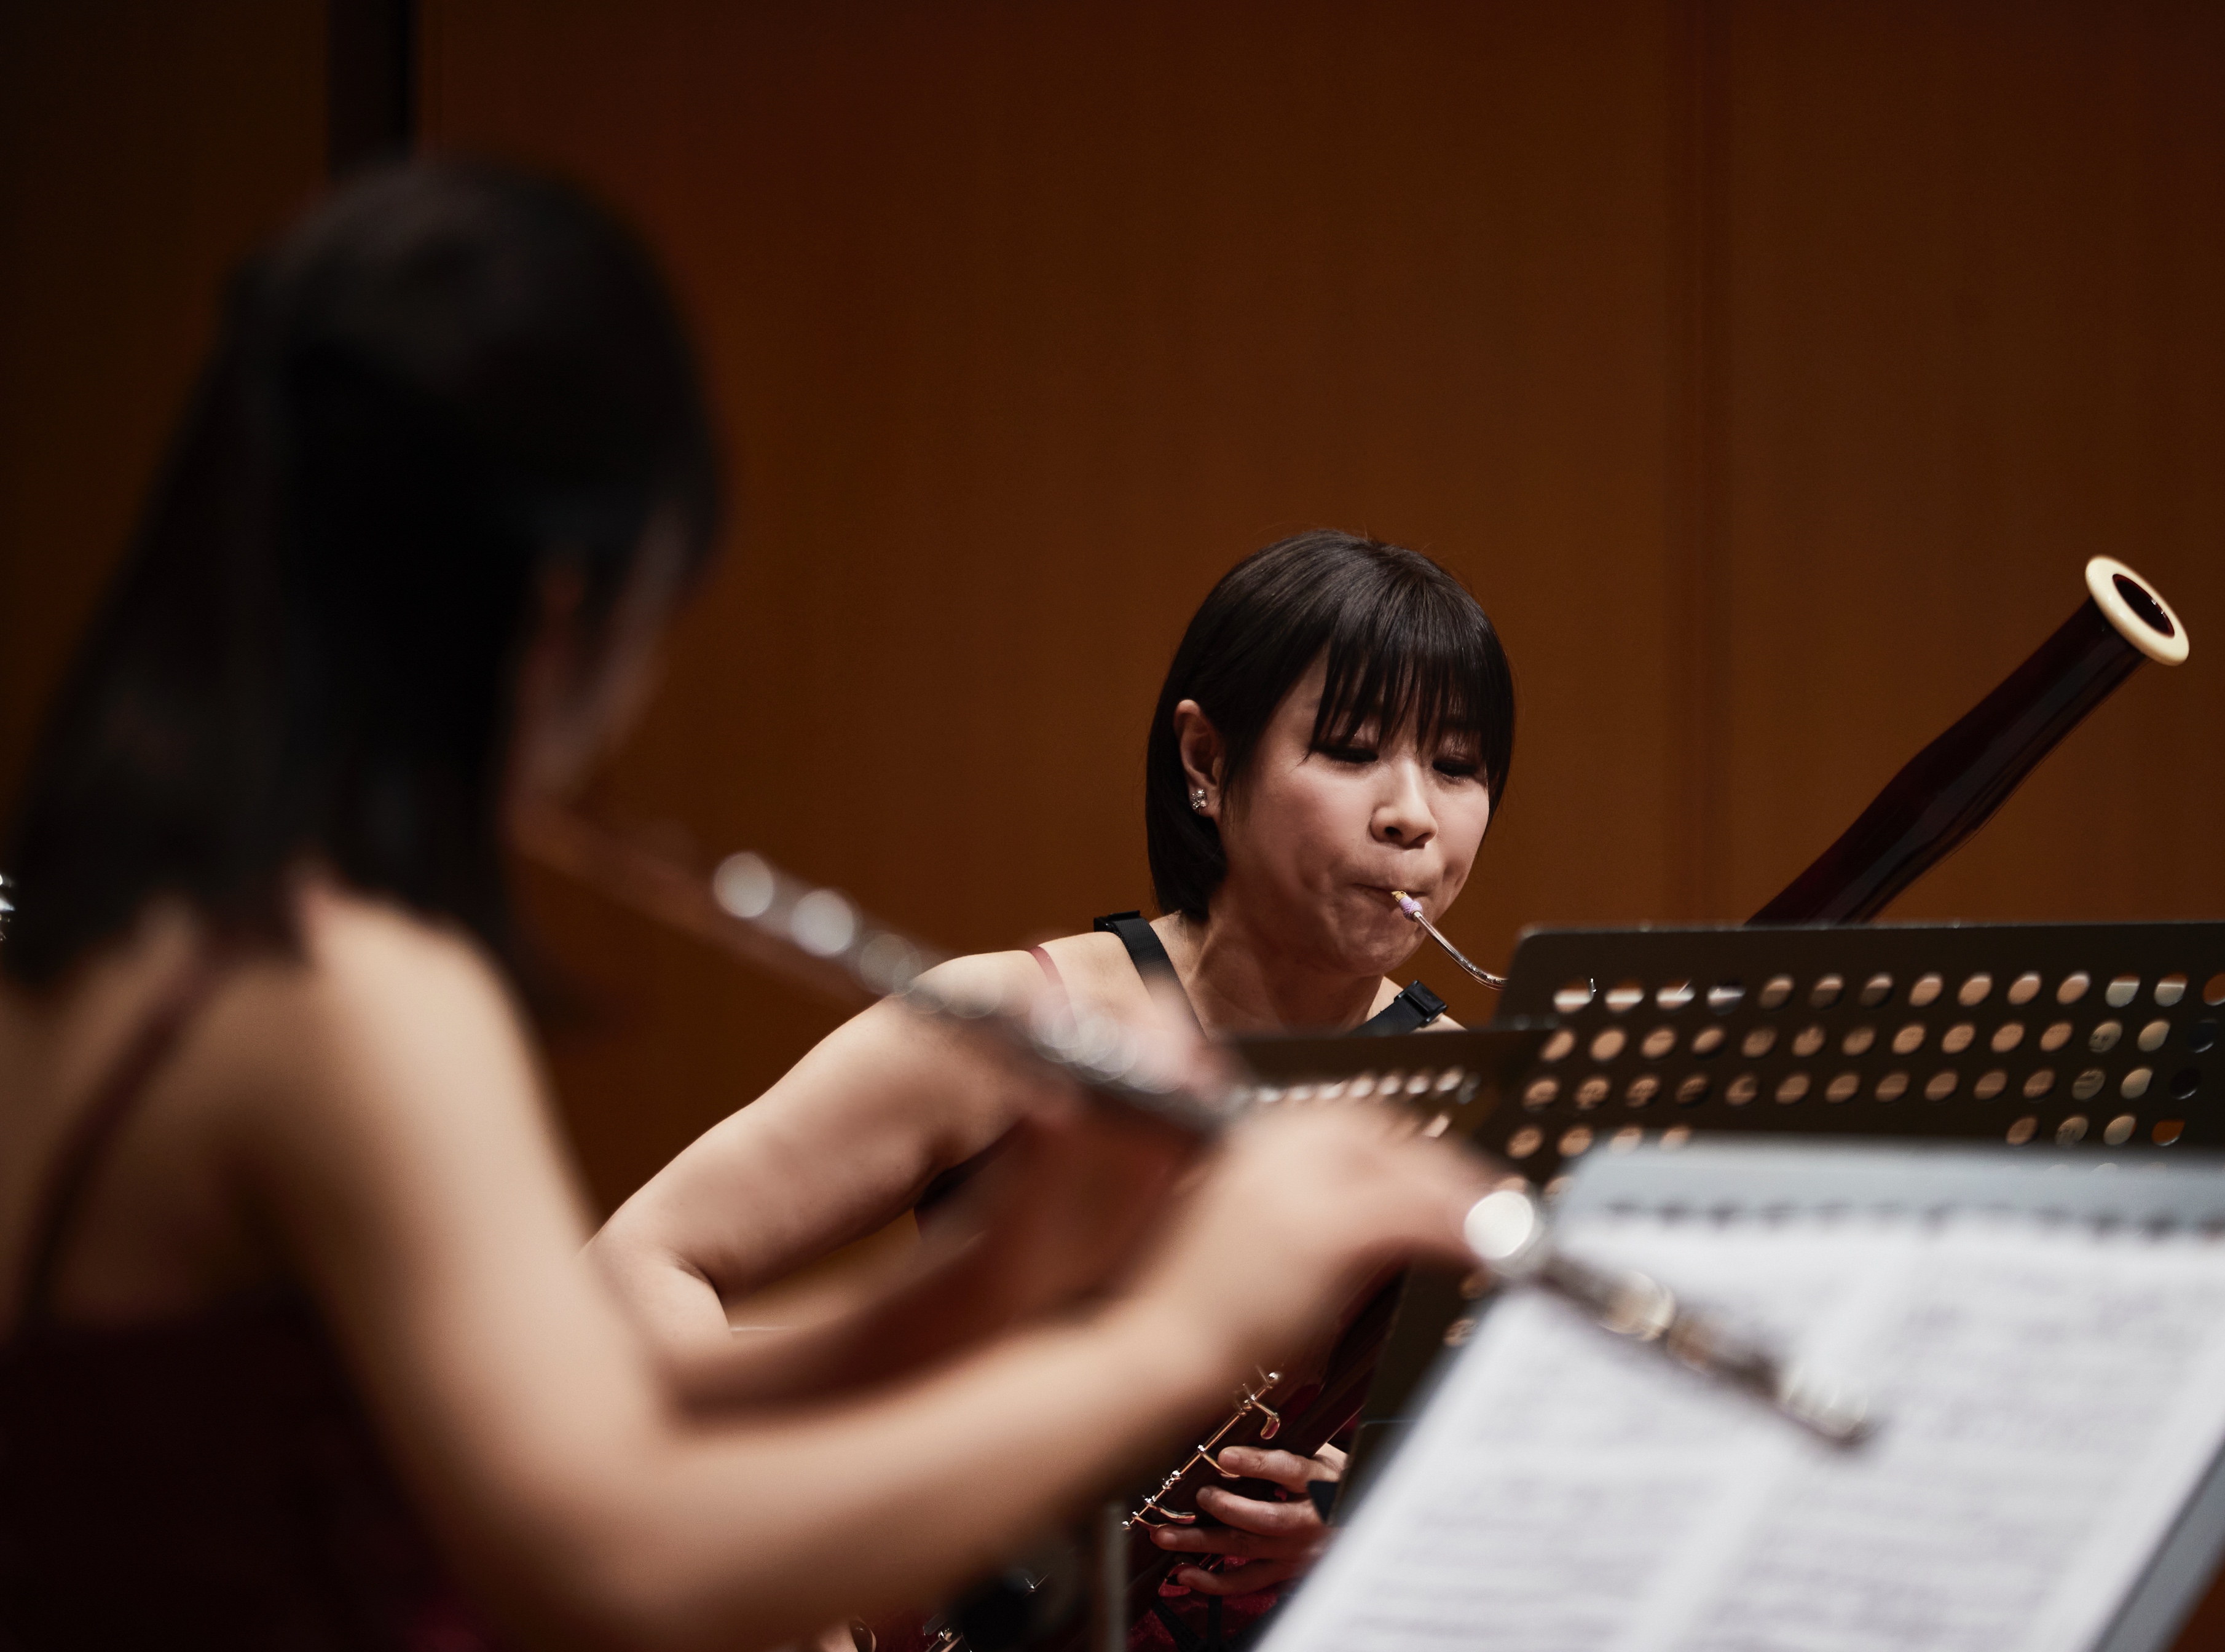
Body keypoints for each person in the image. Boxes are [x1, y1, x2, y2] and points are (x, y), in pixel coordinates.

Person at [0, 163, 1484, 1651]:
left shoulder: (135, 943)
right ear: (560, 597)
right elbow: (616, 1559)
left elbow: (582, 1407)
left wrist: (971, 1296)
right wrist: (1183, 1335)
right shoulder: (345, 991)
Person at [588, 533, 1517, 1616]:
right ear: (1207, 761)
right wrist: (783, 1591)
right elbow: (640, 1260)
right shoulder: (1016, 1022)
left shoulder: (1472, 1109)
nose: (1412, 813)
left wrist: (1366, 1514)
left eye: (1456, 766)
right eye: (1351, 749)